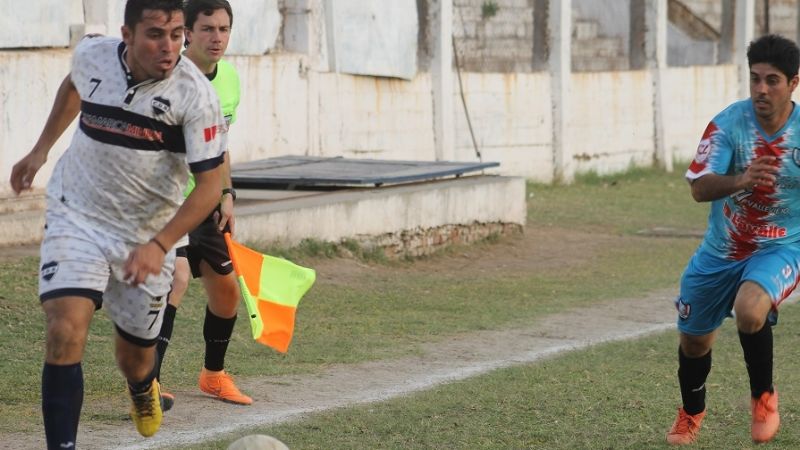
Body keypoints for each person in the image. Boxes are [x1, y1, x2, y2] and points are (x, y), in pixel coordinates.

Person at [8, 0, 227, 447]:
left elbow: (209, 187)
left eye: (177, 34)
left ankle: (142, 386)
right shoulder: (94, 55)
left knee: (134, 359)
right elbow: (74, 86)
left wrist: (161, 244)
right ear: (126, 36)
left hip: (146, 236)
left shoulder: (197, 96)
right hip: (78, 213)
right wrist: (41, 149)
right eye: (155, 35)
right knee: (64, 327)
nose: (170, 47)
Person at [666, 34, 800, 445]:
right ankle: (691, 412)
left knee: (750, 309)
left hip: (782, 247)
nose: (761, 89)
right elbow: (698, 188)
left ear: (794, 83)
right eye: (755, 78)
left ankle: (763, 398)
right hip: (720, 250)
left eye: (772, 80)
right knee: (694, 343)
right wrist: (742, 179)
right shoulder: (728, 124)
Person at [155, 0, 252, 410]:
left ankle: (213, 376)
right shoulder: (168, 78)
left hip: (207, 196)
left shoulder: (229, 79)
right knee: (174, 278)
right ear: (188, 32)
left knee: (227, 291)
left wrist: (227, 194)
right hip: (168, 197)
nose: (217, 38)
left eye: (224, 29)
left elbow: (219, 144)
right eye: (208, 28)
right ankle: (148, 383)